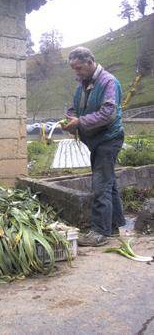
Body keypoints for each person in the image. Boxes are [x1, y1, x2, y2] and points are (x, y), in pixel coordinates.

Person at [62, 47, 126, 247]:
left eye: (79, 68)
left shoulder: (108, 82)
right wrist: (71, 119)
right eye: (74, 69)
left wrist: (79, 122)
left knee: (100, 185)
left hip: (109, 139)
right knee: (109, 183)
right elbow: (73, 107)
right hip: (95, 140)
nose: (77, 72)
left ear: (90, 62)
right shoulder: (82, 84)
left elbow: (108, 113)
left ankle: (99, 232)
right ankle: (114, 226)